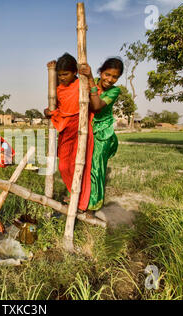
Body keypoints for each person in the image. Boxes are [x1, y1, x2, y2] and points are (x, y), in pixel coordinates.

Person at [43, 53, 96, 212]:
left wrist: (91, 76)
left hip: (80, 127)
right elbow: (58, 108)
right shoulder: (58, 89)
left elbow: (94, 99)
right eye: (60, 75)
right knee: (64, 166)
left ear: (75, 72)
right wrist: (48, 111)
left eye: (65, 74)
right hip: (65, 129)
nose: (63, 78)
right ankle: (75, 195)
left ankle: (80, 202)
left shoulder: (82, 84)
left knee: (80, 165)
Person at [79, 57, 124, 212]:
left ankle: (93, 205)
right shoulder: (88, 81)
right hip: (85, 129)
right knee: (81, 165)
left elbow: (97, 106)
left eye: (115, 77)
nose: (110, 79)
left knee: (96, 169)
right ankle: (80, 199)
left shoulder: (114, 91)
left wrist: (91, 79)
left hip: (101, 133)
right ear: (101, 71)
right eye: (107, 74)